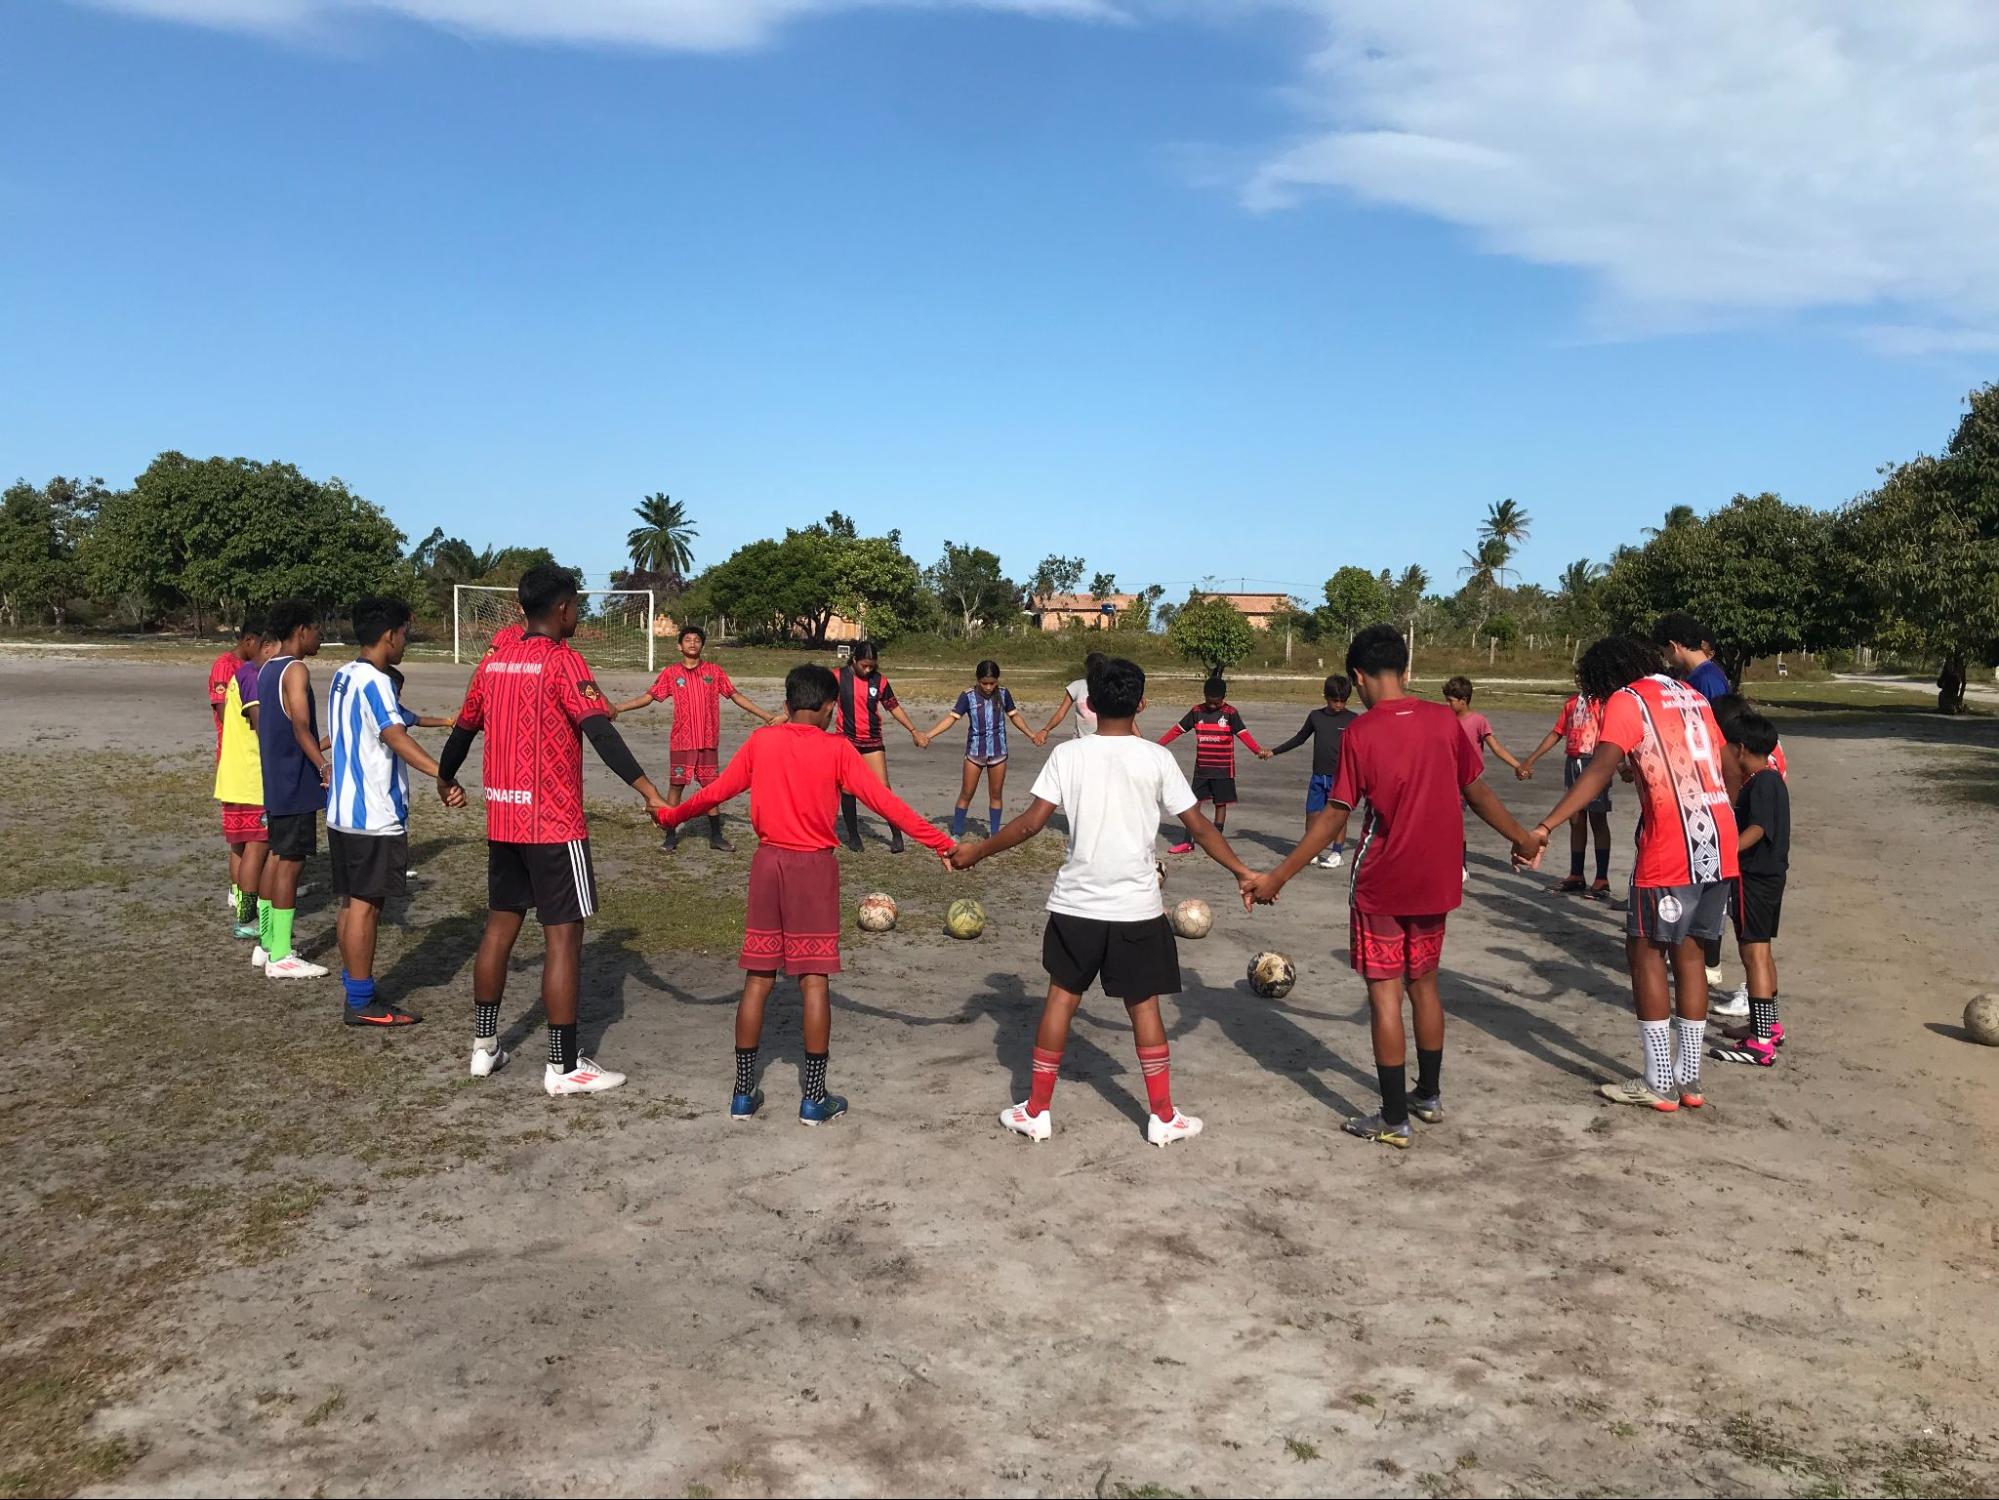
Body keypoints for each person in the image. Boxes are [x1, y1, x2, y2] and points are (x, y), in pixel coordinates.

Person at [1245, 626, 1543, 1149]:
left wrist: (1277, 876)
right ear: (1405, 671)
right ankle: (1427, 1095)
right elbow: (1476, 790)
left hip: (1382, 882)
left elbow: (1333, 816)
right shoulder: (1445, 722)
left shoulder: (1360, 734)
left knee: (1385, 996)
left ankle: (1392, 1118)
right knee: (1424, 984)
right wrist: (1522, 837)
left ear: (1358, 677)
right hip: (1437, 878)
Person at [955, 656, 1254, 1147]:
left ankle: (1036, 1111)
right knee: (1144, 1007)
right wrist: (1244, 871)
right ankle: (1162, 1116)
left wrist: (978, 851)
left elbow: (1030, 823)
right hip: (1136, 909)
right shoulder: (1157, 758)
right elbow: (1198, 825)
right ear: (1141, 703)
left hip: (1076, 906)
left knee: (1060, 999)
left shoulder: (1069, 756)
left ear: (1088, 703)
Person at [659, 664, 956, 1123]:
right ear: (828, 707)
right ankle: (813, 1098)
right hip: (813, 869)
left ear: (787, 703)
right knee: (814, 981)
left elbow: (717, 791)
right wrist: (942, 843)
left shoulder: (762, 741)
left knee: (758, 979)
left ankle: (743, 1093)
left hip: (767, 865)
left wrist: (671, 816)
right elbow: (886, 802)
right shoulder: (838, 749)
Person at [436, 564, 671, 1095]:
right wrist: (649, 793)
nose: (578, 614)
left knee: (500, 928)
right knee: (563, 938)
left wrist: (445, 778)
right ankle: (564, 1068)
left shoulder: (494, 658)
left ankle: (484, 1048)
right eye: (576, 606)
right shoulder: (563, 662)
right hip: (553, 825)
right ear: (563, 609)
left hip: (503, 819)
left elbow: (463, 729)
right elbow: (601, 733)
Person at [1525, 636, 1740, 1113]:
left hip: (1669, 847)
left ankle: (1658, 1082)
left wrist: (1546, 826)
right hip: (1718, 842)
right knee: (1692, 955)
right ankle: (1689, 1080)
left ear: (1605, 678)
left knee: (1645, 951)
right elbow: (1726, 767)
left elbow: (1597, 770)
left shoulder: (1629, 700)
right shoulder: (1691, 694)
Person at [327, 598, 460, 1029]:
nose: (406, 641)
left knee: (352, 904)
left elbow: (400, 719)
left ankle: (357, 989)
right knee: (367, 907)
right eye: (405, 633)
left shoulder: (344, 675)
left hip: (342, 813)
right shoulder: (378, 681)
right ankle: (362, 1002)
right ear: (390, 635)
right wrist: (444, 775)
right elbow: (395, 736)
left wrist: (447, 721)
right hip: (373, 816)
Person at [611, 625, 776, 852]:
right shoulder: (670, 673)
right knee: (676, 786)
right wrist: (617, 707)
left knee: (712, 790)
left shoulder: (715, 672)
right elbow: (648, 697)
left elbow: (735, 695)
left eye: (697, 640)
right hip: (682, 741)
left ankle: (716, 836)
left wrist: (767, 716)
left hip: (707, 741)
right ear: (679, 646)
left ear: (702, 645)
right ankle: (670, 834)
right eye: (687, 639)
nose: (692, 643)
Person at [251, 600, 330, 980]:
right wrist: (323, 765)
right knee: (292, 862)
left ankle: (266, 944)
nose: (320, 636)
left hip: (275, 779)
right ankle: (281, 954)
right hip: (295, 780)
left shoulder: (266, 668)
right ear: (301, 629)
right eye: (316, 628)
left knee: (276, 857)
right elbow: (300, 726)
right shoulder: (296, 669)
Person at [1709, 710, 1790, 1068]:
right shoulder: (1770, 780)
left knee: (1753, 954)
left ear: (1739, 749)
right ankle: (1768, 1025)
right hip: (1770, 876)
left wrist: (1724, 852)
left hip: (1754, 878)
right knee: (1762, 951)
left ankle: (1760, 1045)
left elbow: (1757, 829)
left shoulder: (1760, 783)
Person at [923, 659, 1044, 837]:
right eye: (984, 683)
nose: (988, 687)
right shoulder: (968, 696)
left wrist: (1032, 734)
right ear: (978, 680)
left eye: (992, 683)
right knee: (966, 793)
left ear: (997, 681)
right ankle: (956, 833)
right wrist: (928, 735)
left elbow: (1014, 716)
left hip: (998, 753)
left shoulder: (1004, 694)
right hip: (974, 753)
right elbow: (951, 718)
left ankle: (994, 835)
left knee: (996, 795)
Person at [1519, 683, 1614, 898]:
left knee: (1598, 820)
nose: (1580, 679)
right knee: (1575, 819)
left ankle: (1601, 879)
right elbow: (1557, 733)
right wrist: (1530, 759)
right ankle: (1576, 874)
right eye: (1577, 675)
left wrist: (1621, 765)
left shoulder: (1604, 704)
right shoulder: (1571, 703)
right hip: (1573, 761)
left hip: (1596, 762)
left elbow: (1613, 738)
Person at [1158, 676, 1269, 854]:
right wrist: (1157, 745)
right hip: (1202, 769)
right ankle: (1188, 841)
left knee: (1221, 803)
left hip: (1223, 769)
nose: (1211, 706)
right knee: (1192, 804)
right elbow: (1177, 730)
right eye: (1209, 702)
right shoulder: (1196, 712)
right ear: (1204, 696)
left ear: (1224, 698)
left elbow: (1243, 734)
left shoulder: (1231, 713)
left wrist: (1257, 750)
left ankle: (1216, 841)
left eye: (1216, 703)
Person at [834, 640, 928, 852]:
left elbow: (893, 707)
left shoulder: (880, 681)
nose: (867, 670)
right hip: (845, 741)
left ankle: (896, 834)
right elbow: (823, 704)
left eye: (872, 666)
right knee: (848, 789)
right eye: (864, 665)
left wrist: (914, 730)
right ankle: (854, 836)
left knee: (883, 789)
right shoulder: (838, 677)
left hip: (872, 742)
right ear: (854, 660)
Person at [213, 614, 273, 939]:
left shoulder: (241, 675)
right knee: (257, 848)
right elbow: (262, 729)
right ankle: (249, 920)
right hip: (252, 778)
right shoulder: (251, 675)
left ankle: (241, 910)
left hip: (232, 775)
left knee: (239, 847)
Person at [1268, 673, 1359, 870]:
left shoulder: (1353, 719)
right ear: (1325, 696)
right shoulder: (1315, 717)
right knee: (1312, 814)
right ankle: (1312, 851)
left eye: (1343, 701)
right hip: (1318, 776)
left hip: (1341, 777)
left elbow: (1363, 748)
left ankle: (1336, 853)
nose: (1339, 705)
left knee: (1339, 817)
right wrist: (1274, 752)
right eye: (1335, 700)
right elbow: (1299, 738)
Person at [1443, 677, 1528, 776]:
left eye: (1450, 700)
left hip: (1472, 777)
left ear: (1464, 700)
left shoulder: (1478, 721)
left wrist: (1517, 765)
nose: (1447, 704)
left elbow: (1496, 748)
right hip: (1450, 775)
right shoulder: (1445, 719)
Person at [1653, 612, 1731, 702]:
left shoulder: (1707, 680)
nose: (1665, 658)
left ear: (1673, 646)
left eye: (1663, 652)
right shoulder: (1699, 675)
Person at [1039, 651, 1108, 740]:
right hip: (1080, 742)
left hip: (1104, 743)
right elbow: (1061, 713)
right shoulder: (1077, 686)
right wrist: (1045, 730)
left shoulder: (1110, 687)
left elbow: (1123, 714)